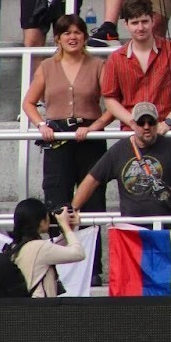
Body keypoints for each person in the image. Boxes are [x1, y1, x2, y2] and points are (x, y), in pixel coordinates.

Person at [22, 14, 111, 213]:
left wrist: (94, 127)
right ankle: (60, 243)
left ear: (85, 37)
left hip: (91, 139)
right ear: (58, 38)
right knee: (57, 198)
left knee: (93, 198)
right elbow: (28, 103)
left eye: (78, 32)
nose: (72, 37)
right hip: (57, 137)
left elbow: (112, 104)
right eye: (67, 33)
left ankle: (91, 244)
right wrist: (41, 125)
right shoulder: (46, 66)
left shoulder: (98, 65)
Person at [72, 100, 171, 222]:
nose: (146, 126)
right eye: (141, 122)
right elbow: (92, 180)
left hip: (165, 228)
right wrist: (73, 209)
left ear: (158, 122)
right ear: (132, 124)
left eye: (151, 122)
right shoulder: (118, 150)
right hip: (131, 232)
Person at [99, 0, 171, 132]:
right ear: (126, 24)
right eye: (134, 23)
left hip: (170, 132)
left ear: (153, 21)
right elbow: (110, 99)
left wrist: (168, 122)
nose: (140, 27)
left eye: (144, 21)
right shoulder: (115, 58)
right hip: (132, 133)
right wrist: (133, 123)